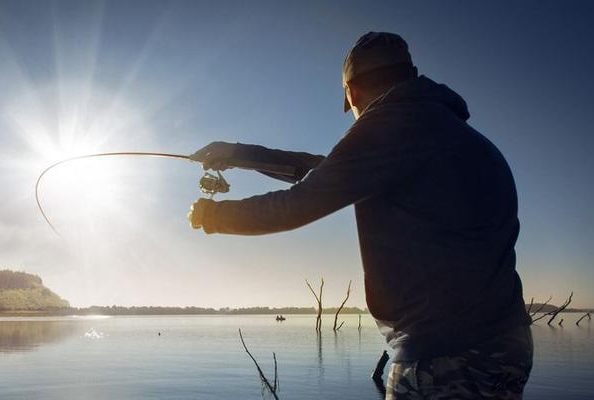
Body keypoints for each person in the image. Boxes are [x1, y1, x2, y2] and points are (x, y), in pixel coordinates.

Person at [188, 32, 533, 399]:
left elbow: (302, 200)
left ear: (351, 92)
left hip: (444, 354)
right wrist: (240, 154)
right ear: (411, 73)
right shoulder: (451, 134)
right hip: (505, 344)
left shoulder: (390, 123)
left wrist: (213, 216)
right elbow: (330, 172)